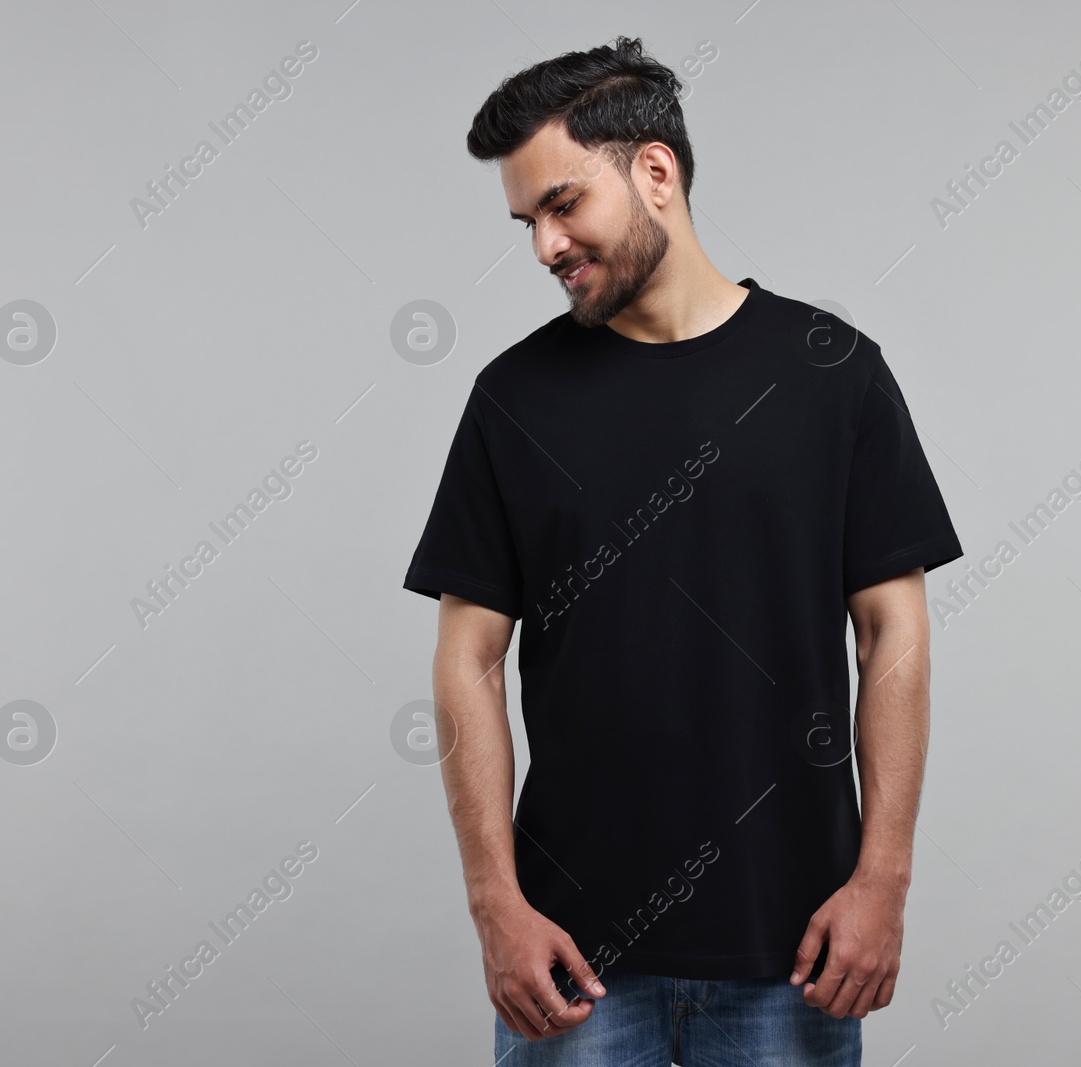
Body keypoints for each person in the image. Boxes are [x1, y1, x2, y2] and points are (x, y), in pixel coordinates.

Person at [403, 35, 963, 1067]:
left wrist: (881, 878)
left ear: (653, 171)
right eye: (528, 221)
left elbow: (893, 626)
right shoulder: (512, 401)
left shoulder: (831, 374)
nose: (544, 246)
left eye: (563, 204)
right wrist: (495, 903)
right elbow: (465, 654)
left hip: (793, 945)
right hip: (569, 957)